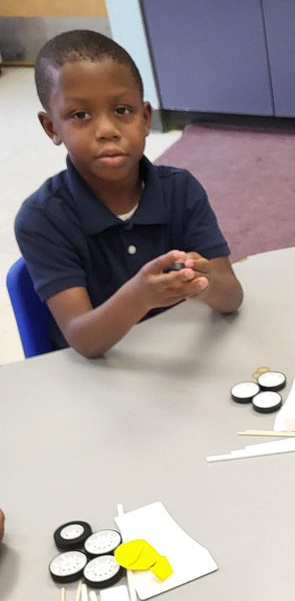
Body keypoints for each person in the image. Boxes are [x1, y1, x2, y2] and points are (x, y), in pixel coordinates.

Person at [14, 30, 243, 358]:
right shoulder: (42, 218)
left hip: (178, 363)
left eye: (122, 110)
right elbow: (85, 341)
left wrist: (205, 281)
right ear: (52, 128)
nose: (107, 130)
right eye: (80, 115)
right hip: (98, 380)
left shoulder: (180, 190)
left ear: (146, 117)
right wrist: (139, 296)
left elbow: (232, 298)